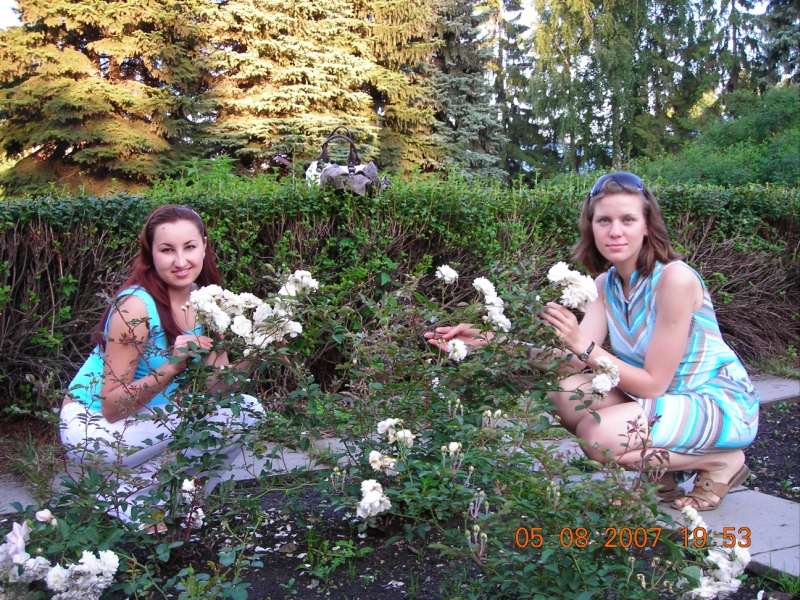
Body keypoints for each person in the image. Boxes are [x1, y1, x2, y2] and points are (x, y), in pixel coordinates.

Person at [426, 172, 760, 511]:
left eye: (628, 219)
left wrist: (580, 343)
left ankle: (720, 462)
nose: (615, 231)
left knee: (597, 438)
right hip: (664, 404)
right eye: (604, 220)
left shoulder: (675, 279)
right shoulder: (606, 283)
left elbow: (652, 384)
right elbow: (572, 361)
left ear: (647, 226)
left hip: (717, 405)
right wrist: (490, 340)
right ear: (591, 227)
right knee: (564, 392)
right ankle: (663, 479)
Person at [60, 205, 264, 527]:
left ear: (204, 246)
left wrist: (261, 350)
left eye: (190, 247)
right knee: (190, 415)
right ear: (151, 253)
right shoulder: (135, 306)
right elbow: (111, 407)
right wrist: (172, 366)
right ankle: (121, 495)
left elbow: (217, 389)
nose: (181, 261)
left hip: (148, 421)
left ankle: (181, 498)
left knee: (246, 410)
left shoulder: (206, 302)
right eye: (167, 250)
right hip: (93, 426)